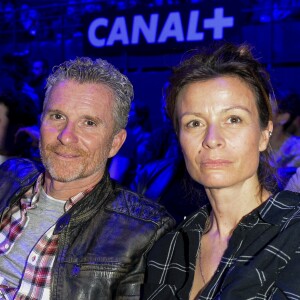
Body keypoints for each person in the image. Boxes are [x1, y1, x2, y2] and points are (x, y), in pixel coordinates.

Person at [0, 57, 175, 299]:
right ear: (40, 123)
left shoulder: (144, 232)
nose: (66, 136)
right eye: (57, 116)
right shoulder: (9, 176)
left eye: (89, 123)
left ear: (115, 143)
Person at [142, 42, 300, 299]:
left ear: (263, 134)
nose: (212, 139)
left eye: (233, 119)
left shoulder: (293, 231)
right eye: (194, 123)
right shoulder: (167, 249)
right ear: (179, 139)